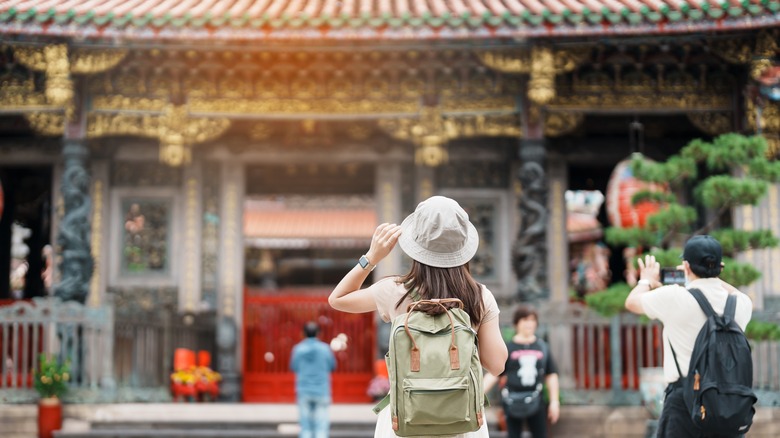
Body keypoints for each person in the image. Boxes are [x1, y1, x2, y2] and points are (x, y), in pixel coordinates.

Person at [328, 195, 508, 437]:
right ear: (463, 246)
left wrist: (371, 257)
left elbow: (337, 299)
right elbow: (497, 365)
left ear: (415, 244)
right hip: (462, 421)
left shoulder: (394, 291)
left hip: (403, 420)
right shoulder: (479, 296)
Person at [624, 235, 753, 437]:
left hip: (683, 402)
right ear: (721, 267)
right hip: (727, 404)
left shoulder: (674, 296)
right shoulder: (741, 304)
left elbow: (632, 302)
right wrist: (711, 275)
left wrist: (646, 280)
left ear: (686, 266)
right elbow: (735, 292)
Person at [484, 305, 560, 438]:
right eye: (524, 320)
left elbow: (551, 375)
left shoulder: (542, 347)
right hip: (512, 401)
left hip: (536, 399)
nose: (529, 324)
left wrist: (554, 401)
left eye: (532, 320)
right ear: (516, 323)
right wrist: (478, 393)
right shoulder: (508, 348)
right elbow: (495, 374)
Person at [290, 321, 337, 438]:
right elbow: (332, 366)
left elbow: (293, 367)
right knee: (321, 427)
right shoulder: (325, 349)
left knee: (305, 427)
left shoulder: (298, 349)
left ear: (303, 333)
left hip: (304, 389)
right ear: (319, 333)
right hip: (321, 390)